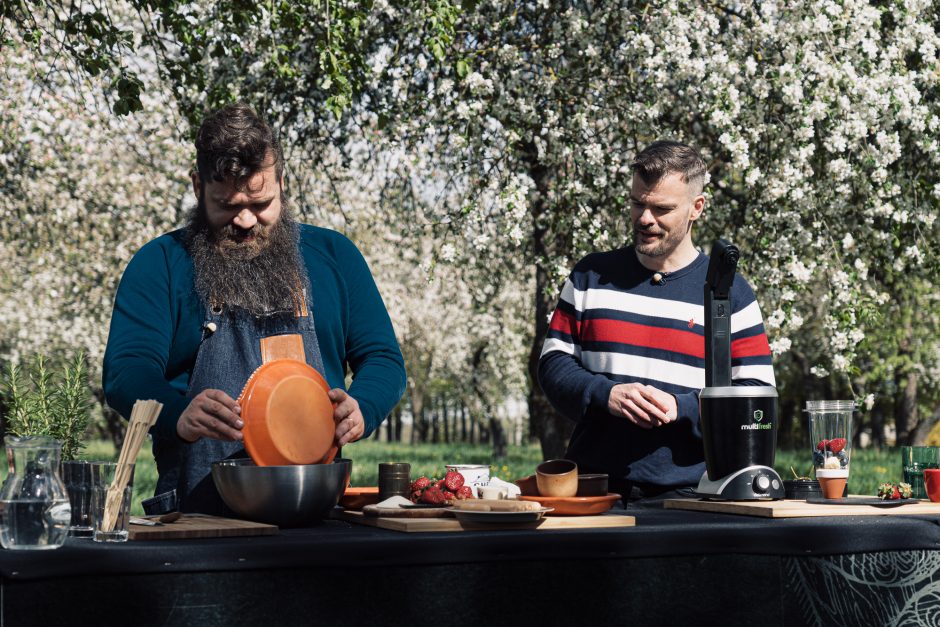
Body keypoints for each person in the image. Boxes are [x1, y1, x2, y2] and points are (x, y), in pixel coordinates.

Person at [103, 104, 406, 515]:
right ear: (197, 187)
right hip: (197, 515)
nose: (245, 220)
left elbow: (384, 360)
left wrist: (362, 408)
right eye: (226, 205)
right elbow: (126, 371)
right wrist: (177, 413)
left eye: (261, 202)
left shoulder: (334, 256)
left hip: (316, 506)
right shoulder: (160, 264)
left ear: (282, 182)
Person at [537, 140, 775, 504]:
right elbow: (553, 365)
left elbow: (756, 394)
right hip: (591, 492)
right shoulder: (590, 275)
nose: (645, 219)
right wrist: (606, 394)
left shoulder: (730, 294)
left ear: (697, 208)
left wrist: (682, 408)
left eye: (661, 208)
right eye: (637, 204)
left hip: (693, 498)